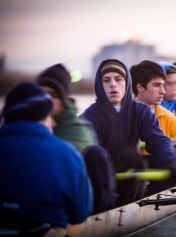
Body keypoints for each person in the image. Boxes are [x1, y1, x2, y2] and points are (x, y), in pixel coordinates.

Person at [0, 82, 92, 235]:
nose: (54, 123)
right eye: (50, 116)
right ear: (43, 116)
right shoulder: (67, 155)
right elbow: (80, 214)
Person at [80, 59, 176, 205]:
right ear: (99, 85)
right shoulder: (90, 117)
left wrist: (170, 161)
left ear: (126, 83)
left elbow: (158, 140)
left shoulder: (140, 110)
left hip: (132, 176)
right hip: (103, 181)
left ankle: (154, 200)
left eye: (118, 79)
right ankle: (106, 207)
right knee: (126, 156)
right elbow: (91, 157)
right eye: (106, 80)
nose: (112, 85)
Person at [36, 63, 118, 214]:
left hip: (80, 204)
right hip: (40, 199)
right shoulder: (23, 123)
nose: (46, 100)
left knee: (97, 154)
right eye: (41, 94)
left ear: (64, 100)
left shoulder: (79, 130)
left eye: (53, 95)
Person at [130, 60, 176, 194]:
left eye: (163, 85)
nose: (163, 91)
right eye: (157, 85)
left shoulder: (170, 118)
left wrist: (170, 149)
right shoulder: (123, 114)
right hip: (132, 166)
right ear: (140, 87)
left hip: (160, 166)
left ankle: (154, 198)